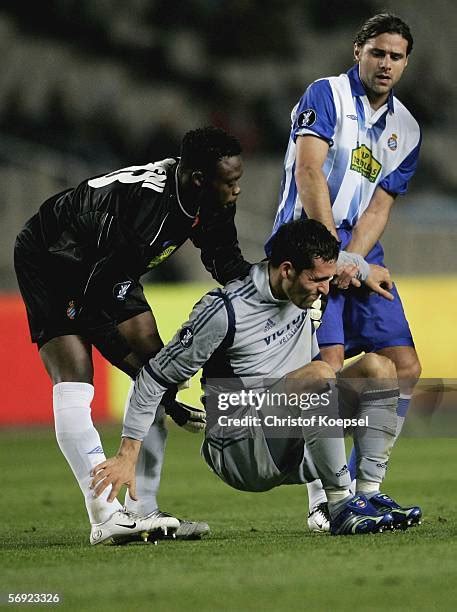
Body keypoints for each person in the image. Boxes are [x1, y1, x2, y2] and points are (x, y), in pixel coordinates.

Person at [90, 219, 421, 540]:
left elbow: (344, 264)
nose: (324, 290)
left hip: (291, 436)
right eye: (317, 280)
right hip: (239, 445)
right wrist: (126, 453)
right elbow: (153, 378)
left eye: (328, 279)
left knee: (380, 368)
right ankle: (340, 505)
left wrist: (366, 269)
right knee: (319, 374)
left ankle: (368, 495)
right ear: (287, 269)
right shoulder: (225, 310)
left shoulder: (308, 276)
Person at [14, 126, 252, 545]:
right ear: (199, 178)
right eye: (230, 182)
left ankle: (142, 510)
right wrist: (157, 389)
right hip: (54, 258)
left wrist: (271, 299)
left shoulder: (207, 198)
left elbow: (227, 262)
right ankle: (105, 517)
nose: (237, 190)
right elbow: (91, 311)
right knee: (76, 374)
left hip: (108, 268)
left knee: (159, 362)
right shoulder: (140, 210)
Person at [265, 13, 422, 531]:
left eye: (396, 56)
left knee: (404, 366)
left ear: (405, 63)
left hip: (353, 251)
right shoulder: (326, 94)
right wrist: (335, 260)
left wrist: (353, 259)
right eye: (377, 52)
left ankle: (367, 490)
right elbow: (310, 171)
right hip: (307, 245)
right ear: (358, 50)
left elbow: (379, 209)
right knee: (327, 370)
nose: (385, 63)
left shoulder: (407, 129)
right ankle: (322, 499)